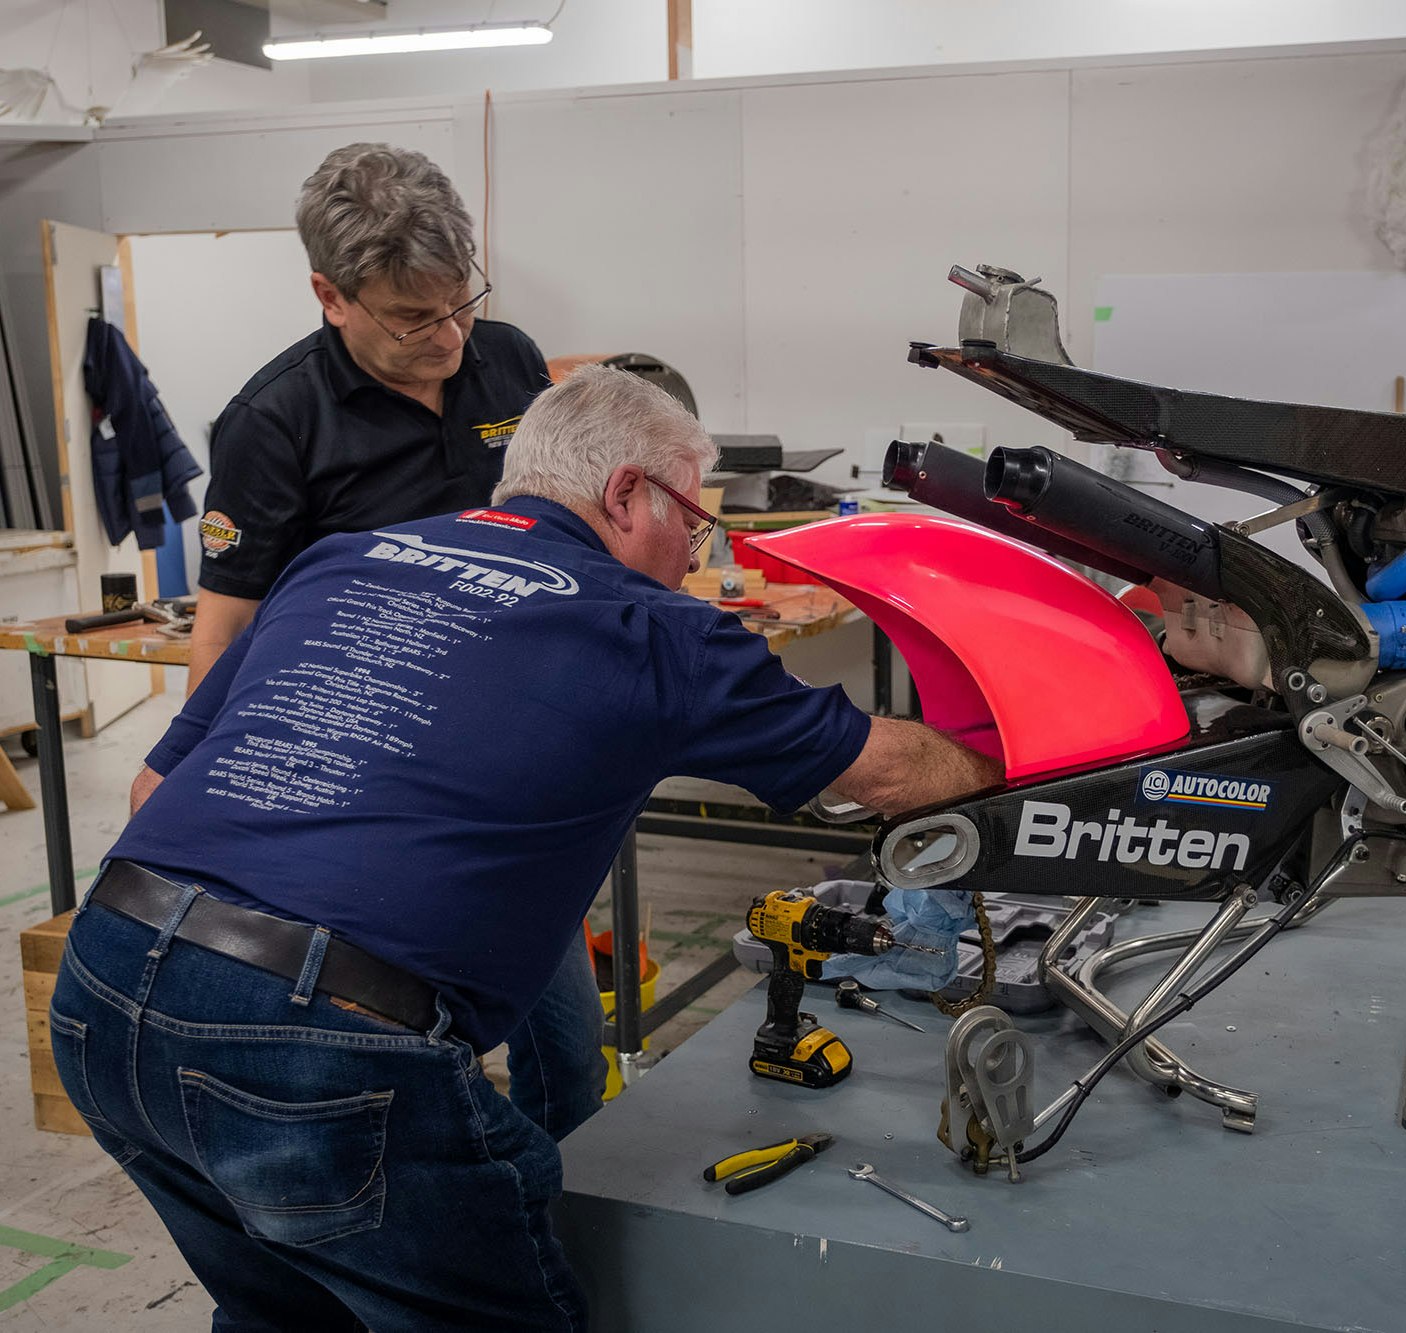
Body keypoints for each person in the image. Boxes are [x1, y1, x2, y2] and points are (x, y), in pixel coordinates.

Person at [54, 364, 1003, 1329]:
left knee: (287, 1313)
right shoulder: (651, 627)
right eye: (693, 519)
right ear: (627, 492)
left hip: (103, 982)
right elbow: (887, 773)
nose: (694, 554)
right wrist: (1034, 760)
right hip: (316, 1042)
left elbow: (151, 787)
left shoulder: (345, 556)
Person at [169, 141, 609, 1142]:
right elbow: (228, 619)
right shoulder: (273, 421)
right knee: (396, 1055)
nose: (449, 334)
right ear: (331, 295)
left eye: (461, 300)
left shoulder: (507, 359)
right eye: (414, 316)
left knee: (568, 1050)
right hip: (364, 780)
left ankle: (571, 1221)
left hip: (511, 766)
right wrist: (196, 786)